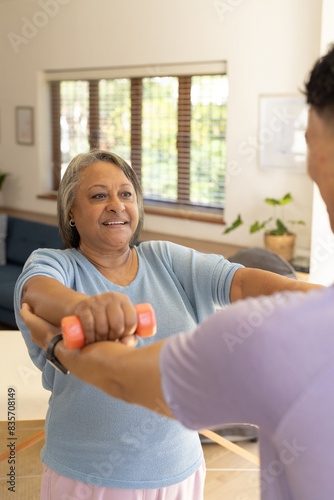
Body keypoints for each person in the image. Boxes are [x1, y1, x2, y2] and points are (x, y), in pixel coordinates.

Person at [15, 148, 320, 500]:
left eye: (126, 194)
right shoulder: (58, 264)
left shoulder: (165, 258)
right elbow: (35, 292)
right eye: (99, 195)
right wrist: (87, 307)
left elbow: (240, 282)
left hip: (179, 471)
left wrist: (316, 299)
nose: (116, 204)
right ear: (71, 211)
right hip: (87, 477)